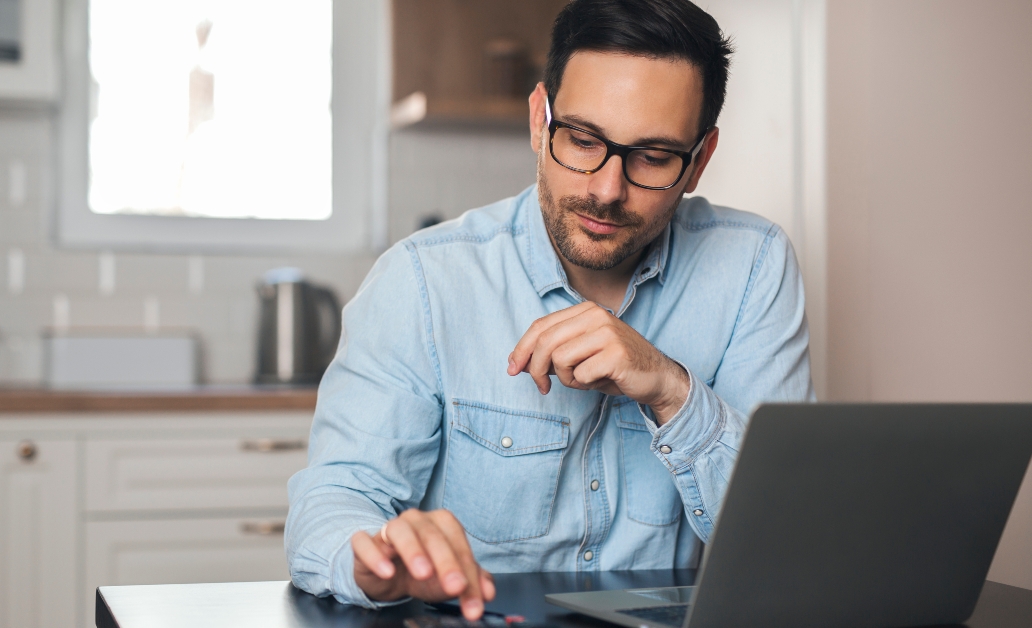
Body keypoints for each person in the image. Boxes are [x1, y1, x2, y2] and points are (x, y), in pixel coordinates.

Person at [286, 0, 814, 620]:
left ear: (699, 160)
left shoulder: (754, 267)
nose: (606, 188)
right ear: (540, 122)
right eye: (583, 140)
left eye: (652, 156)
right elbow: (333, 501)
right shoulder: (422, 281)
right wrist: (378, 561)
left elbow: (786, 542)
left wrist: (672, 390)